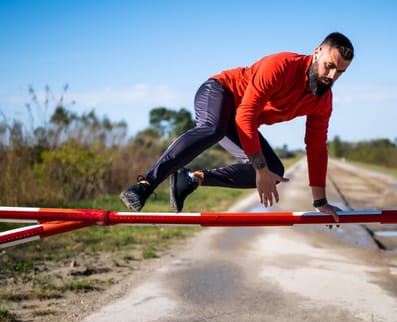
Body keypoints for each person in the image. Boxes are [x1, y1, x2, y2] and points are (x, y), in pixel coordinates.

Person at [120, 32, 354, 222]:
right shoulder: (281, 66)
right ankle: (145, 185)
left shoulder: (322, 101)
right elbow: (246, 114)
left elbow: (316, 149)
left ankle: (191, 178)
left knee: (274, 171)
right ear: (316, 53)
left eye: (340, 72)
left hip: (237, 121)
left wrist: (320, 202)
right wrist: (259, 170)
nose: (332, 76)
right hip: (219, 92)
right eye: (329, 66)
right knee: (214, 128)